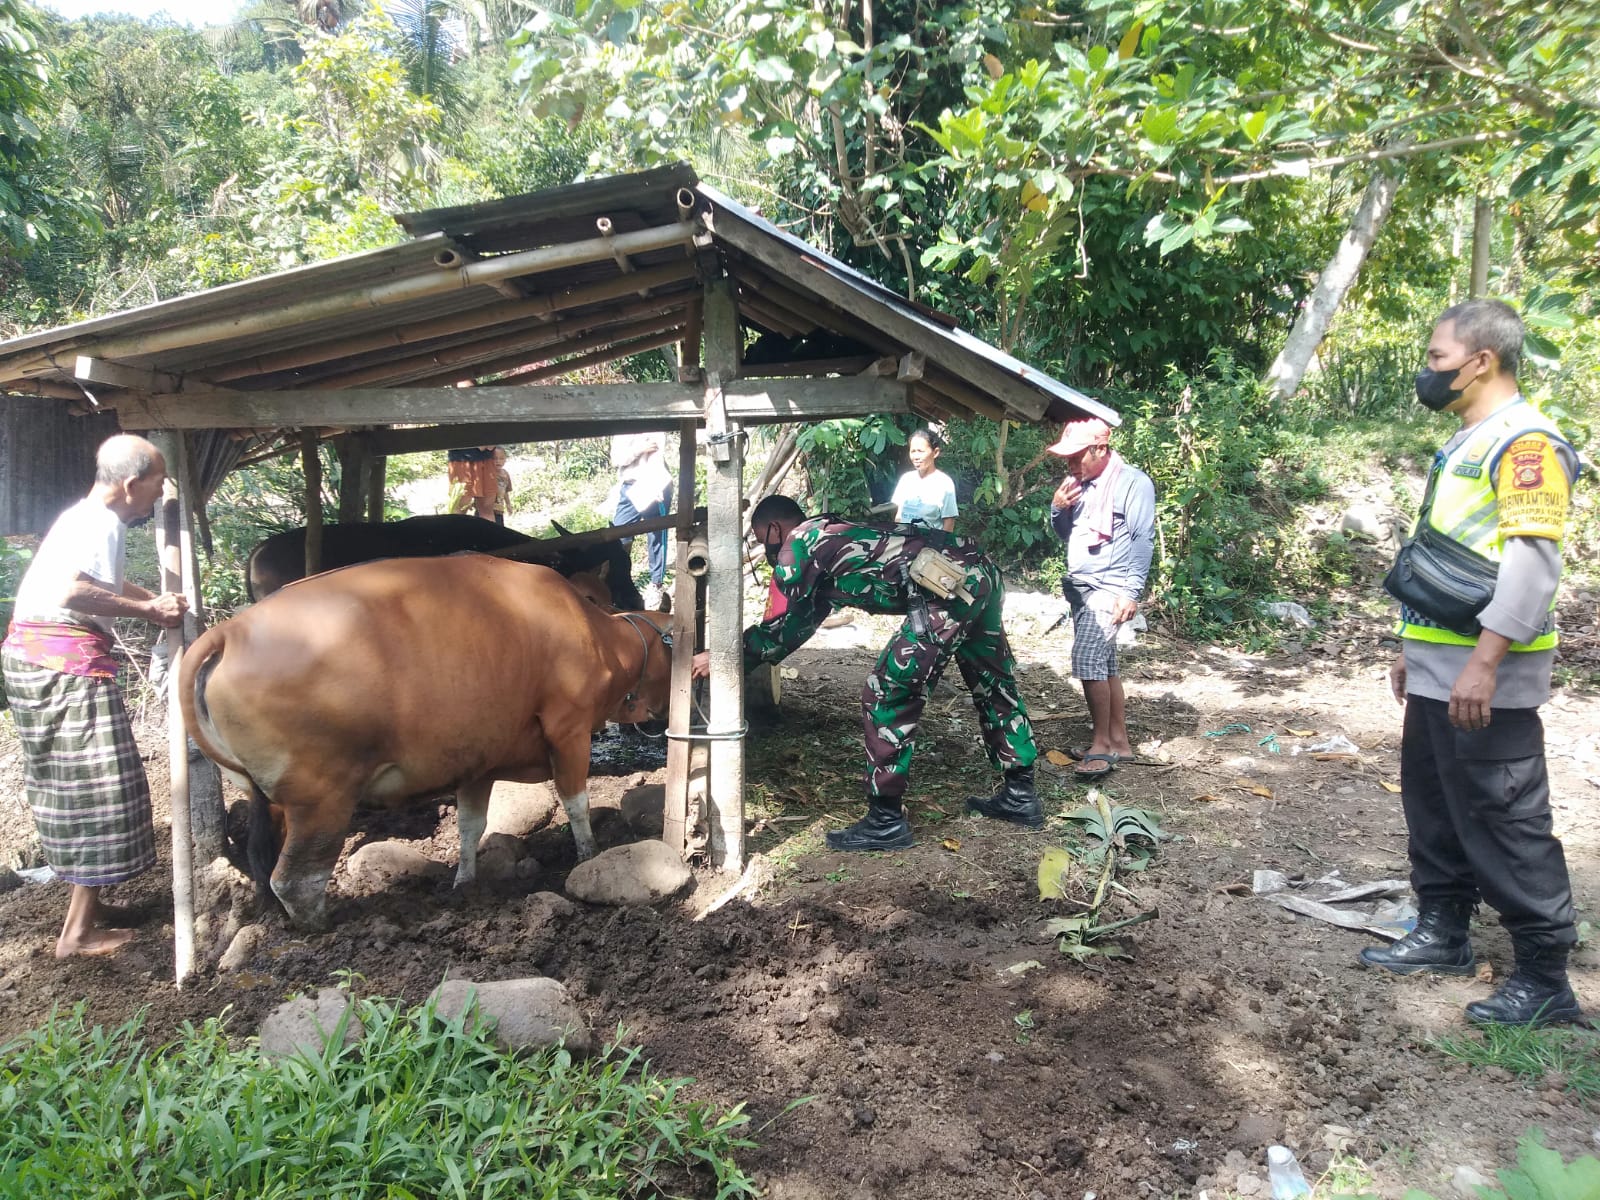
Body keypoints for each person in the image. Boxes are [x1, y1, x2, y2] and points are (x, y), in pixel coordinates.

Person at [1359, 299, 1584, 1028]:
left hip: (1487, 676)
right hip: (1439, 666)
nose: (1428, 372)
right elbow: (1445, 557)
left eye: (1437, 358)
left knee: (1506, 816)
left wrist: (1485, 663)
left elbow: (1531, 564)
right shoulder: (1470, 438)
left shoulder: (1527, 444)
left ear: (1481, 360)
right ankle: (1443, 931)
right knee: (1433, 803)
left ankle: (1544, 975)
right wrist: (1412, 648)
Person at [690, 495, 1041, 850]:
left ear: (775, 528)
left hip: (947, 589)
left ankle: (886, 820)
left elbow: (780, 627)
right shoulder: (831, 533)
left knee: (887, 692)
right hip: (979, 572)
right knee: (992, 681)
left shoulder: (798, 545)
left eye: (762, 538)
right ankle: (1020, 794)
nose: (766, 549)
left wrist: (722, 658)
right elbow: (801, 623)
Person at [1, 434, 187, 958]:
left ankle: (92, 908)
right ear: (131, 484)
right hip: (63, 667)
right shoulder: (100, 522)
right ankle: (77, 933)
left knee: (72, 784)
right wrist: (149, 612)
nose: (161, 492)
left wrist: (153, 598)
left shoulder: (84, 518)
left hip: (41, 659)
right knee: (100, 786)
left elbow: (101, 582)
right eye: (158, 481)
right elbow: (70, 590)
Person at [1046, 418, 1156, 779]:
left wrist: (1130, 592)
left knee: (1088, 658)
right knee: (1105, 664)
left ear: (1101, 449)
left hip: (1110, 587)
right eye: (1067, 458)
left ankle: (1101, 744)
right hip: (1082, 586)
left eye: (1077, 456)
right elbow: (1066, 533)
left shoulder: (1132, 483)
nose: (1070, 464)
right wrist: (1058, 508)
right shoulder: (1077, 483)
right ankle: (1119, 741)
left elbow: (1142, 539)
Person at [610, 432, 673, 609]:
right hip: (630, 486)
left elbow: (656, 457)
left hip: (654, 484)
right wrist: (638, 449)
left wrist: (656, 485)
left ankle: (656, 584)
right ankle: (618, 580)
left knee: (657, 535)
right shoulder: (622, 429)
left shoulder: (655, 428)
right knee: (618, 534)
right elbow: (616, 459)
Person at [890, 428, 958, 532]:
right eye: (913, 451)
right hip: (904, 540)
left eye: (920, 451)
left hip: (929, 541)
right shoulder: (906, 479)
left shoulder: (944, 483)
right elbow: (899, 515)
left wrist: (940, 542)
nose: (916, 457)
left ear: (935, 452)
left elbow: (949, 522)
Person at [447, 445, 497, 521]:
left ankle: (488, 529)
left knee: (486, 509)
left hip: (486, 458)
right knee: (460, 507)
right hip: (461, 459)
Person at [492, 446, 513, 527]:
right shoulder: (488, 474)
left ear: (505, 460)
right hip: (487, 509)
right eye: (495, 458)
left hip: (499, 510)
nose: (498, 461)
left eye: (501, 458)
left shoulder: (505, 474)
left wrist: (508, 504)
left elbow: (505, 491)